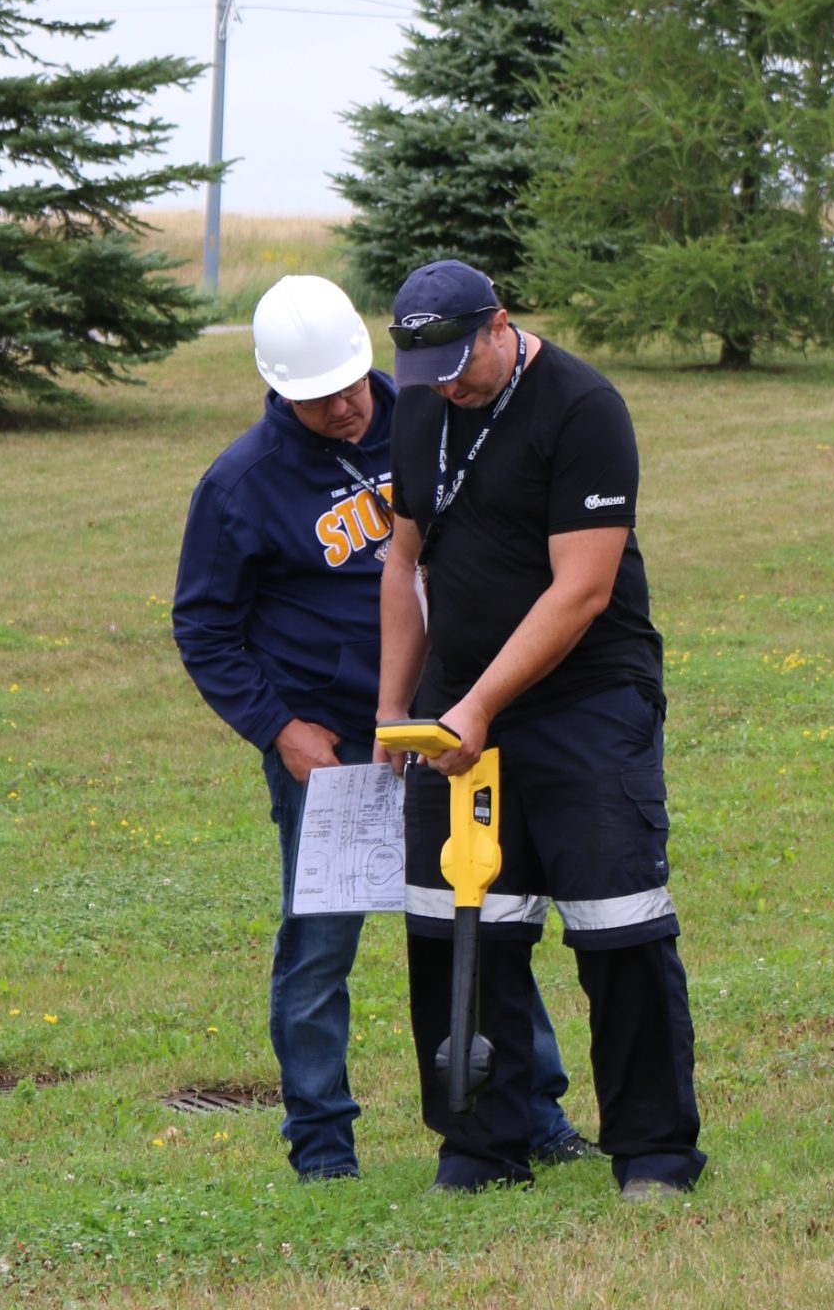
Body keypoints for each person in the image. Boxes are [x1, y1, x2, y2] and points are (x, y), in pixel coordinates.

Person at [172, 273, 591, 1181]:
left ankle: (534, 1114)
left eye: (353, 386)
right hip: (331, 751)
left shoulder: (428, 417)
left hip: (445, 724)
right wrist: (280, 729)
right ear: (278, 388)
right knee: (321, 946)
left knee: (482, 915)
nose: (344, 408)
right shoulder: (241, 485)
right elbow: (203, 627)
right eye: (319, 398)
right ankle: (323, 1146)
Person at [377, 258, 706, 1201]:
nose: (446, 386)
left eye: (458, 365)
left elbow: (583, 589)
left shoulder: (583, 409)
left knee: (617, 923)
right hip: (456, 706)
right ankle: (480, 1149)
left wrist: (480, 707)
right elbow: (403, 564)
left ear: (500, 325)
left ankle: (654, 1153)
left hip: (586, 701)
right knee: (456, 921)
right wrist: (395, 710)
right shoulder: (422, 406)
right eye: (427, 372)